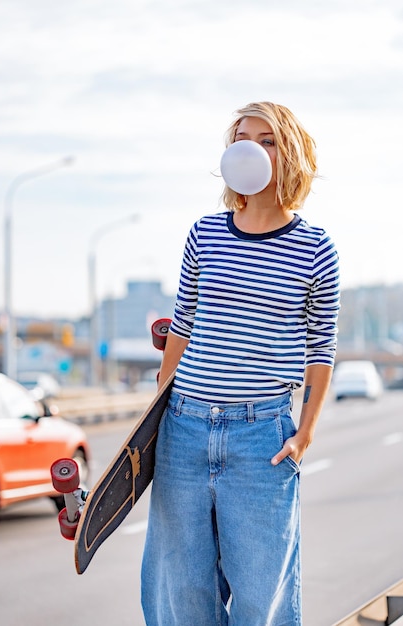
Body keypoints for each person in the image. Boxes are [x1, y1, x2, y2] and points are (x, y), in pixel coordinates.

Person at [141, 101, 340, 626]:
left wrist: (305, 436)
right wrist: (157, 419)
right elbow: (182, 326)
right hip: (184, 428)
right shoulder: (204, 234)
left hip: (262, 439)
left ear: (290, 152)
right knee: (181, 595)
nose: (250, 147)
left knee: (260, 602)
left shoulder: (316, 247)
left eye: (267, 139)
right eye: (241, 137)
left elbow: (322, 350)